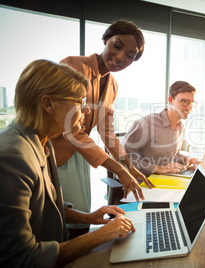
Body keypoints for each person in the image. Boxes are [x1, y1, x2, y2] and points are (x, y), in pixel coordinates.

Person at [0, 60, 136, 267]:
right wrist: (101, 235)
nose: (87, 111)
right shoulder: (14, 157)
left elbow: (44, 206)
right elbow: (22, 258)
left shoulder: (42, 142)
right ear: (48, 104)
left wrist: (89, 217)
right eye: (80, 101)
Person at [51, 20, 154, 238]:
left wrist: (128, 165)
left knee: (79, 221)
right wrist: (119, 171)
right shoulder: (74, 66)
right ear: (105, 39)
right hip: (52, 151)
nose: (120, 57)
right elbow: (70, 128)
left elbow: (107, 131)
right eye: (117, 45)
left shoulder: (113, 85)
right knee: (56, 219)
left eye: (130, 55)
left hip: (79, 153)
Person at [121, 81, 199, 177]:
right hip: (142, 181)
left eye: (191, 102)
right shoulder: (147, 124)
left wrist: (187, 159)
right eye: (184, 102)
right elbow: (123, 156)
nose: (188, 108)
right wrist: (158, 168)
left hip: (165, 179)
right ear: (170, 100)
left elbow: (171, 155)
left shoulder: (180, 127)